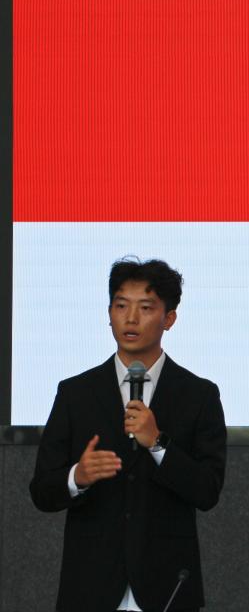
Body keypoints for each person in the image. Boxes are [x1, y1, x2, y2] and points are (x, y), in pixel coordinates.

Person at [30, 258, 227, 612]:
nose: (131, 318)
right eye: (121, 306)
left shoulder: (199, 395)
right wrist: (78, 476)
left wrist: (159, 443)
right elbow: (42, 491)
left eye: (146, 308)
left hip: (167, 585)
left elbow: (207, 491)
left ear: (169, 318)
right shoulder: (75, 393)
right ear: (109, 314)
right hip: (90, 587)